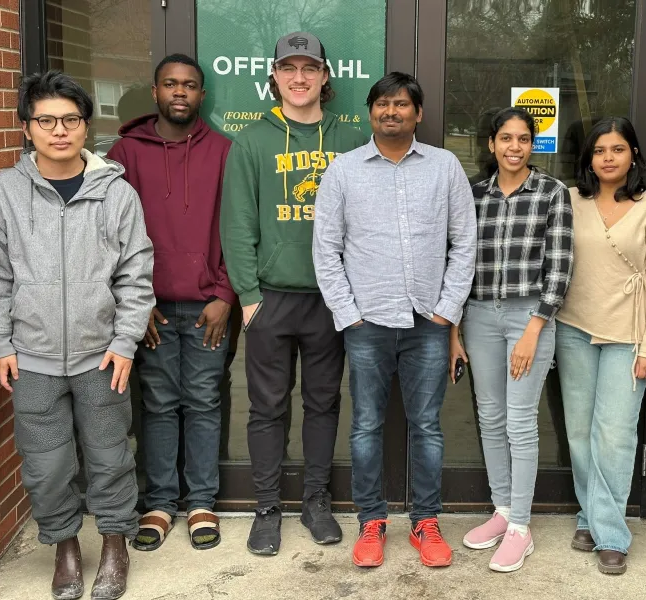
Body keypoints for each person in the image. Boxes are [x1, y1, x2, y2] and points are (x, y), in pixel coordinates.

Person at [0, 71, 154, 600]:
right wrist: (2, 342)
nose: (59, 131)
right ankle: (64, 548)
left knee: (110, 457)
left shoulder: (117, 194)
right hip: (32, 357)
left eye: (70, 120)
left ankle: (114, 545)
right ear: (27, 128)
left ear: (86, 127)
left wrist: (124, 341)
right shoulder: (4, 193)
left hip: (101, 354)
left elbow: (135, 274)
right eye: (46, 121)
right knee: (47, 464)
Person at [313, 72, 476, 568]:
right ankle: (371, 521)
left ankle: (426, 522)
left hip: (429, 320)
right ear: (370, 113)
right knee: (366, 426)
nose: (391, 112)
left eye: (401, 104)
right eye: (382, 104)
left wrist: (448, 310)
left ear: (417, 113)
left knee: (427, 426)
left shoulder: (445, 167)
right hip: (367, 323)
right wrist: (349, 314)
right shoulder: (343, 170)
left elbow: (464, 242)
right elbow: (326, 248)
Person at [220, 31, 367, 556]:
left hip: (330, 299)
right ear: (275, 77)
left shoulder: (348, 141)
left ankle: (315, 502)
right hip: (270, 300)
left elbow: (362, 223)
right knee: (266, 408)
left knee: (324, 403)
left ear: (325, 77)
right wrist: (248, 294)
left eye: (309, 69)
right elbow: (236, 223)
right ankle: (266, 509)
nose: (299, 78)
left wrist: (351, 293)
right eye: (289, 69)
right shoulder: (253, 141)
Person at [106, 53, 235, 552]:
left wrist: (225, 293)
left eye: (190, 85)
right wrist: (134, 305)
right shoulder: (125, 152)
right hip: (151, 311)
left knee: (204, 401)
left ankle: (201, 502)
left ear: (202, 95)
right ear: (155, 91)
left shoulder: (225, 150)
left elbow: (238, 229)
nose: (180, 92)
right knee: (158, 406)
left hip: (208, 308)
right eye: (170, 84)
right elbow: (109, 236)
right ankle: (160, 503)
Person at [450, 107, 573, 572]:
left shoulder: (552, 193)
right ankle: (501, 510)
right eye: (506, 138)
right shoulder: (474, 194)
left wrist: (534, 329)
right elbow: (459, 260)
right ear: (491, 144)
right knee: (490, 416)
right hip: (479, 313)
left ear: (532, 144)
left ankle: (521, 526)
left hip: (530, 315)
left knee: (520, 421)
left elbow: (559, 268)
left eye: (524, 139)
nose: (514, 147)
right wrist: (455, 331)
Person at [554, 117, 646, 574]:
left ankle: (610, 533)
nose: (608, 157)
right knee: (579, 432)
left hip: (629, 333)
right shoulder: (569, 200)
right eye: (600, 149)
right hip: (573, 327)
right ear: (588, 157)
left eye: (618, 149)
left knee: (615, 434)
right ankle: (589, 515)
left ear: (633, 156)